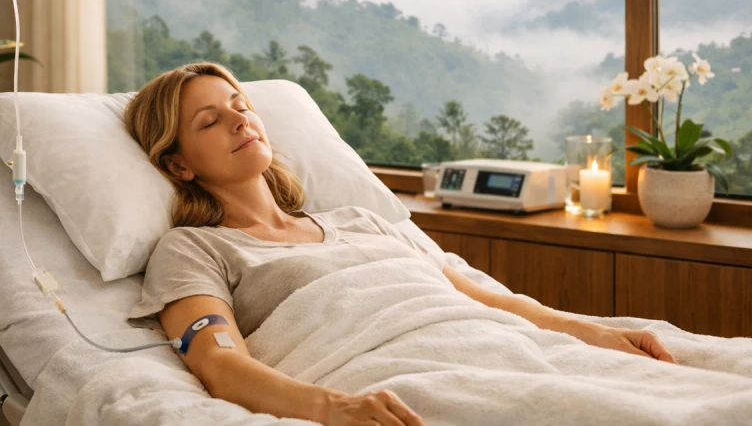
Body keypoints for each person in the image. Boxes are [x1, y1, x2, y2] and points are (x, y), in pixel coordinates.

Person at [125, 63, 674, 426]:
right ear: (179, 165)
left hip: (497, 345)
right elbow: (218, 362)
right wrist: (334, 408)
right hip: (401, 376)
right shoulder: (195, 249)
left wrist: (593, 333)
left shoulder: (360, 220)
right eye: (210, 121)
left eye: (241, 104)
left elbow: (481, 299)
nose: (240, 120)